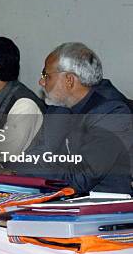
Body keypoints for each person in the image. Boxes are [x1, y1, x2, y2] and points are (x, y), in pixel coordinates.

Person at [16, 43, 132, 194]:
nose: (41, 82)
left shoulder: (112, 112)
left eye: (46, 76)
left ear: (69, 80)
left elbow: (80, 178)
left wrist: (29, 168)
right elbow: (34, 155)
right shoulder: (60, 103)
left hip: (107, 207)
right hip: (64, 197)